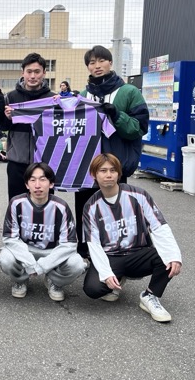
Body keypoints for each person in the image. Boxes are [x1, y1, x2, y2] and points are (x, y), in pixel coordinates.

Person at [82, 153, 182, 323]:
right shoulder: (91, 206)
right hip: (111, 256)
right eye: (103, 171)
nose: (108, 175)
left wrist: (173, 255)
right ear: (94, 175)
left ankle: (150, 296)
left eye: (113, 170)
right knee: (92, 289)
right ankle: (117, 278)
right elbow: (94, 244)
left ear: (118, 173)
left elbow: (159, 226)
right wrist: (106, 274)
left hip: (138, 253)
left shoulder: (138, 195)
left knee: (168, 257)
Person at [74, 45, 149, 258]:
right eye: (92, 62)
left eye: (101, 61)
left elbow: (139, 128)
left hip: (115, 166)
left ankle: (116, 252)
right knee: (85, 209)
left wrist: (117, 115)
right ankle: (85, 251)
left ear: (110, 63)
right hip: (86, 168)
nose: (97, 66)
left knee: (115, 211)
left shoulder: (129, 92)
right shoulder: (83, 95)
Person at [0, 162, 86, 301]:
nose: (37, 185)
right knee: (5, 259)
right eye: (32, 180)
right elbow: (10, 238)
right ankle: (21, 280)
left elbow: (69, 244)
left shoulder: (61, 207)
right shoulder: (16, 203)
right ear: (27, 184)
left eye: (43, 179)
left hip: (51, 251)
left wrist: (42, 266)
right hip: (25, 249)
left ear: (51, 184)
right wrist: (30, 263)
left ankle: (55, 282)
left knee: (77, 264)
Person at [0, 53, 55, 200]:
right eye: (29, 71)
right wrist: (8, 118)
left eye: (37, 72)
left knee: (44, 203)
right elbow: (2, 126)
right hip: (17, 161)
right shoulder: (11, 97)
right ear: (22, 72)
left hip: (45, 162)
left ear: (44, 73)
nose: (33, 76)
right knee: (17, 202)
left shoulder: (53, 99)